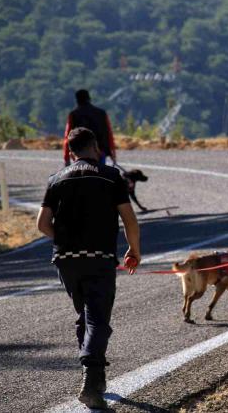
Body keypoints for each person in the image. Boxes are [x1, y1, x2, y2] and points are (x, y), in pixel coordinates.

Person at [37, 127, 141, 409]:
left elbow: (42, 224)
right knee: (97, 319)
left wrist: (66, 240)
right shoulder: (111, 177)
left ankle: (95, 378)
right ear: (95, 147)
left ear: (70, 152)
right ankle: (92, 380)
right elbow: (130, 220)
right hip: (99, 257)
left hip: (65, 260)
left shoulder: (56, 179)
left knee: (85, 315)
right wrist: (134, 250)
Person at [63, 89, 117, 167]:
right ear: (89, 99)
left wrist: (66, 158)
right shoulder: (101, 113)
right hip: (100, 152)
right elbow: (109, 134)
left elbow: (67, 137)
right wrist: (113, 154)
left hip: (80, 154)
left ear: (77, 100)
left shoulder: (73, 115)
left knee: (83, 177)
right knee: (99, 176)